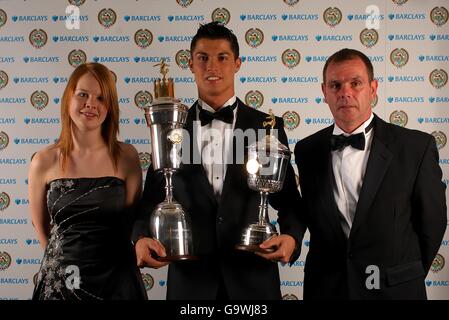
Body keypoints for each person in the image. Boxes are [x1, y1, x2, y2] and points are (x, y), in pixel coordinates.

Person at [132, 22, 302, 300]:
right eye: (203, 58)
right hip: (191, 285)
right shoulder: (171, 127)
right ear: (191, 64)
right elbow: (151, 199)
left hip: (254, 282)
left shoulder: (266, 126)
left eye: (222, 57)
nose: (212, 66)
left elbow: (288, 200)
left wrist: (292, 238)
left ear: (237, 64)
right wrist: (140, 238)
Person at [294, 48, 447, 299]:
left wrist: (403, 274)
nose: (345, 92)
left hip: (395, 291)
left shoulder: (416, 147)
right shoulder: (306, 150)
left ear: (373, 89)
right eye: (336, 85)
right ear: (324, 92)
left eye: (356, 83)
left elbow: (433, 223)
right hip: (327, 290)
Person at [29, 62, 147, 300]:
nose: (91, 104)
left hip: (118, 282)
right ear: (68, 99)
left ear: (110, 107)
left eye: (101, 98)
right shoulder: (43, 161)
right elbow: (43, 229)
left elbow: (132, 222)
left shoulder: (127, 157)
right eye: (83, 94)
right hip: (61, 285)